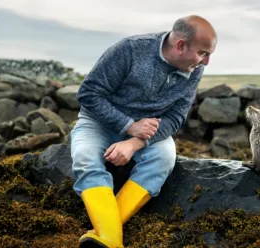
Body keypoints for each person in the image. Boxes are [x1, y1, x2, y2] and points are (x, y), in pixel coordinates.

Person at [70, 15, 217, 248]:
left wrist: (133, 142)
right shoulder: (129, 50)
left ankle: (106, 235)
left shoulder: (194, 69)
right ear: (181, 46)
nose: (206, 62)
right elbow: (88, 94)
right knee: (85, 159)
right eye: (203, 53)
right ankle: (113, 240)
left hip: (147, 132)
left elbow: (176, 117)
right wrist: (128, 125)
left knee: (164, 158)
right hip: (97, 123)